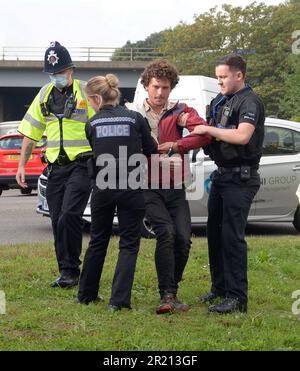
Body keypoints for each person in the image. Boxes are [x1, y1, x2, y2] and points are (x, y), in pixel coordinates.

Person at [127, 60, 211, 314]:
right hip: (146, 185)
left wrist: (177, 145)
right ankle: (167, 294)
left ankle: (171, 289)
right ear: (146, 86)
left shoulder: (181, 111)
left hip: (175, 185)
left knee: (183, 239)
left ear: (172, 88)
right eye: (155, 87)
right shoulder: (133, 113)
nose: (160, 93)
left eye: (165, 87)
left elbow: (205, 134)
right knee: (166, 233)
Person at [16, 41, 95, 288]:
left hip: (82, 165)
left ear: (70, 69)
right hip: (55, 168)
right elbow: (31, 132)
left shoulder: (86, 92)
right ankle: (65, 272)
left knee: (69, 216)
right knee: (56, 219)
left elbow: (103, 122)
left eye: (60, 72)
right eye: (52, 74)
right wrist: (21, 165)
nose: (56, 77)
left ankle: (72, 270)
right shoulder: (44, 95)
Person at [77, 74, 157, 311]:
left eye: (88, 101)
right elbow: (151, 149)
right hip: (131, 187)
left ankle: (86, 295)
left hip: (102, 188)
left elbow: (97, 149)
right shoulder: (135, 119)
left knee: (98, 240)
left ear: (96, 98)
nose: (89, 105)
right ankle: (119, 301)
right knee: (129, 243)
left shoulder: (91, 125)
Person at [192, 54, 265, 314]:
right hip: (222, 175)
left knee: (232, 237)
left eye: (223, 76)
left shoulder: (250, 101)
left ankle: (237, 297)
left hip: (241, 177)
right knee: (215, 234)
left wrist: (208, 131)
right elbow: (207, 129)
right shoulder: (219, 100)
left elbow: (243, 136)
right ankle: (220, 288)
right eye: (217, 76)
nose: (219, 81)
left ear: (239, 75)